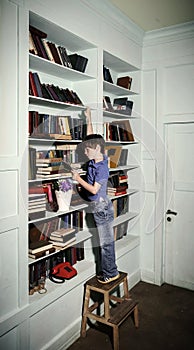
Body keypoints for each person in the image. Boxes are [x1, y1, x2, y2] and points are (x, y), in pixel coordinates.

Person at [72, 130, 120, 284]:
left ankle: (111, 273)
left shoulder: (102, 168)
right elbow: (93, 138)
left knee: (106, 243)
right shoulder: (96, 160)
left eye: (87, 149)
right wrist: (88, 117)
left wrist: (78, 178)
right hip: (97, 207)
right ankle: (107, 270)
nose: (85, 152)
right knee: (102, 242)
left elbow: (94, 190)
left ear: (98, 149)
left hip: (101, 208)